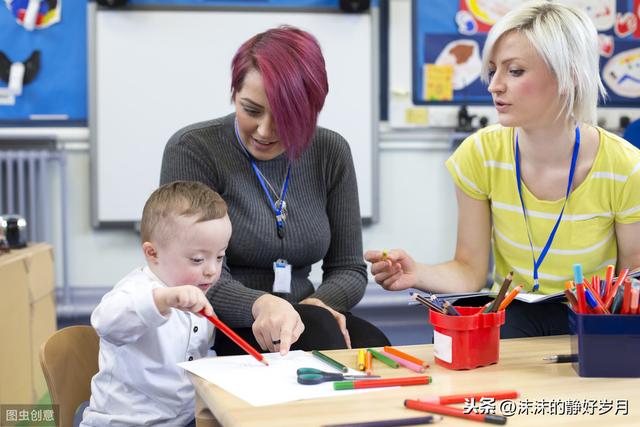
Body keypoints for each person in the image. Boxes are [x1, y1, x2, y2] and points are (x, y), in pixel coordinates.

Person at [366, 1, 640, 338]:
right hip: (514, 314)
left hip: (591, 317)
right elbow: (470, 272)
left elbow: (631, 282)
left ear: (568, 76)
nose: (494, 84)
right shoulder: (479, 154)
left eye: (514, 71)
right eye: (493, 69)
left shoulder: (626, 168)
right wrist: (415, 272)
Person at [160, 26, 389, 356]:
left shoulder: (331, 151)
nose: (265, 131)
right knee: (323, 338)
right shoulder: (194, 149)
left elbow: (349, 269)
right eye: (251, 110)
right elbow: (194, 275)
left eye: (285, 117)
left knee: (374, 347)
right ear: (234, 94)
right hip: (221, 320)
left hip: (303, 314)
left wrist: (316, 305)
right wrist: (263, 305)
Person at [81, 181, 232, 427]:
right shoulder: (137, 289)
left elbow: (196, 355)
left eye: (219, 256)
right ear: (153, 254)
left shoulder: (195, 292)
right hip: (124, 422)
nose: (212, 271)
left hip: (182, 419)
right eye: (197, 259)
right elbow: (105, 321)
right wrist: (164, 300)